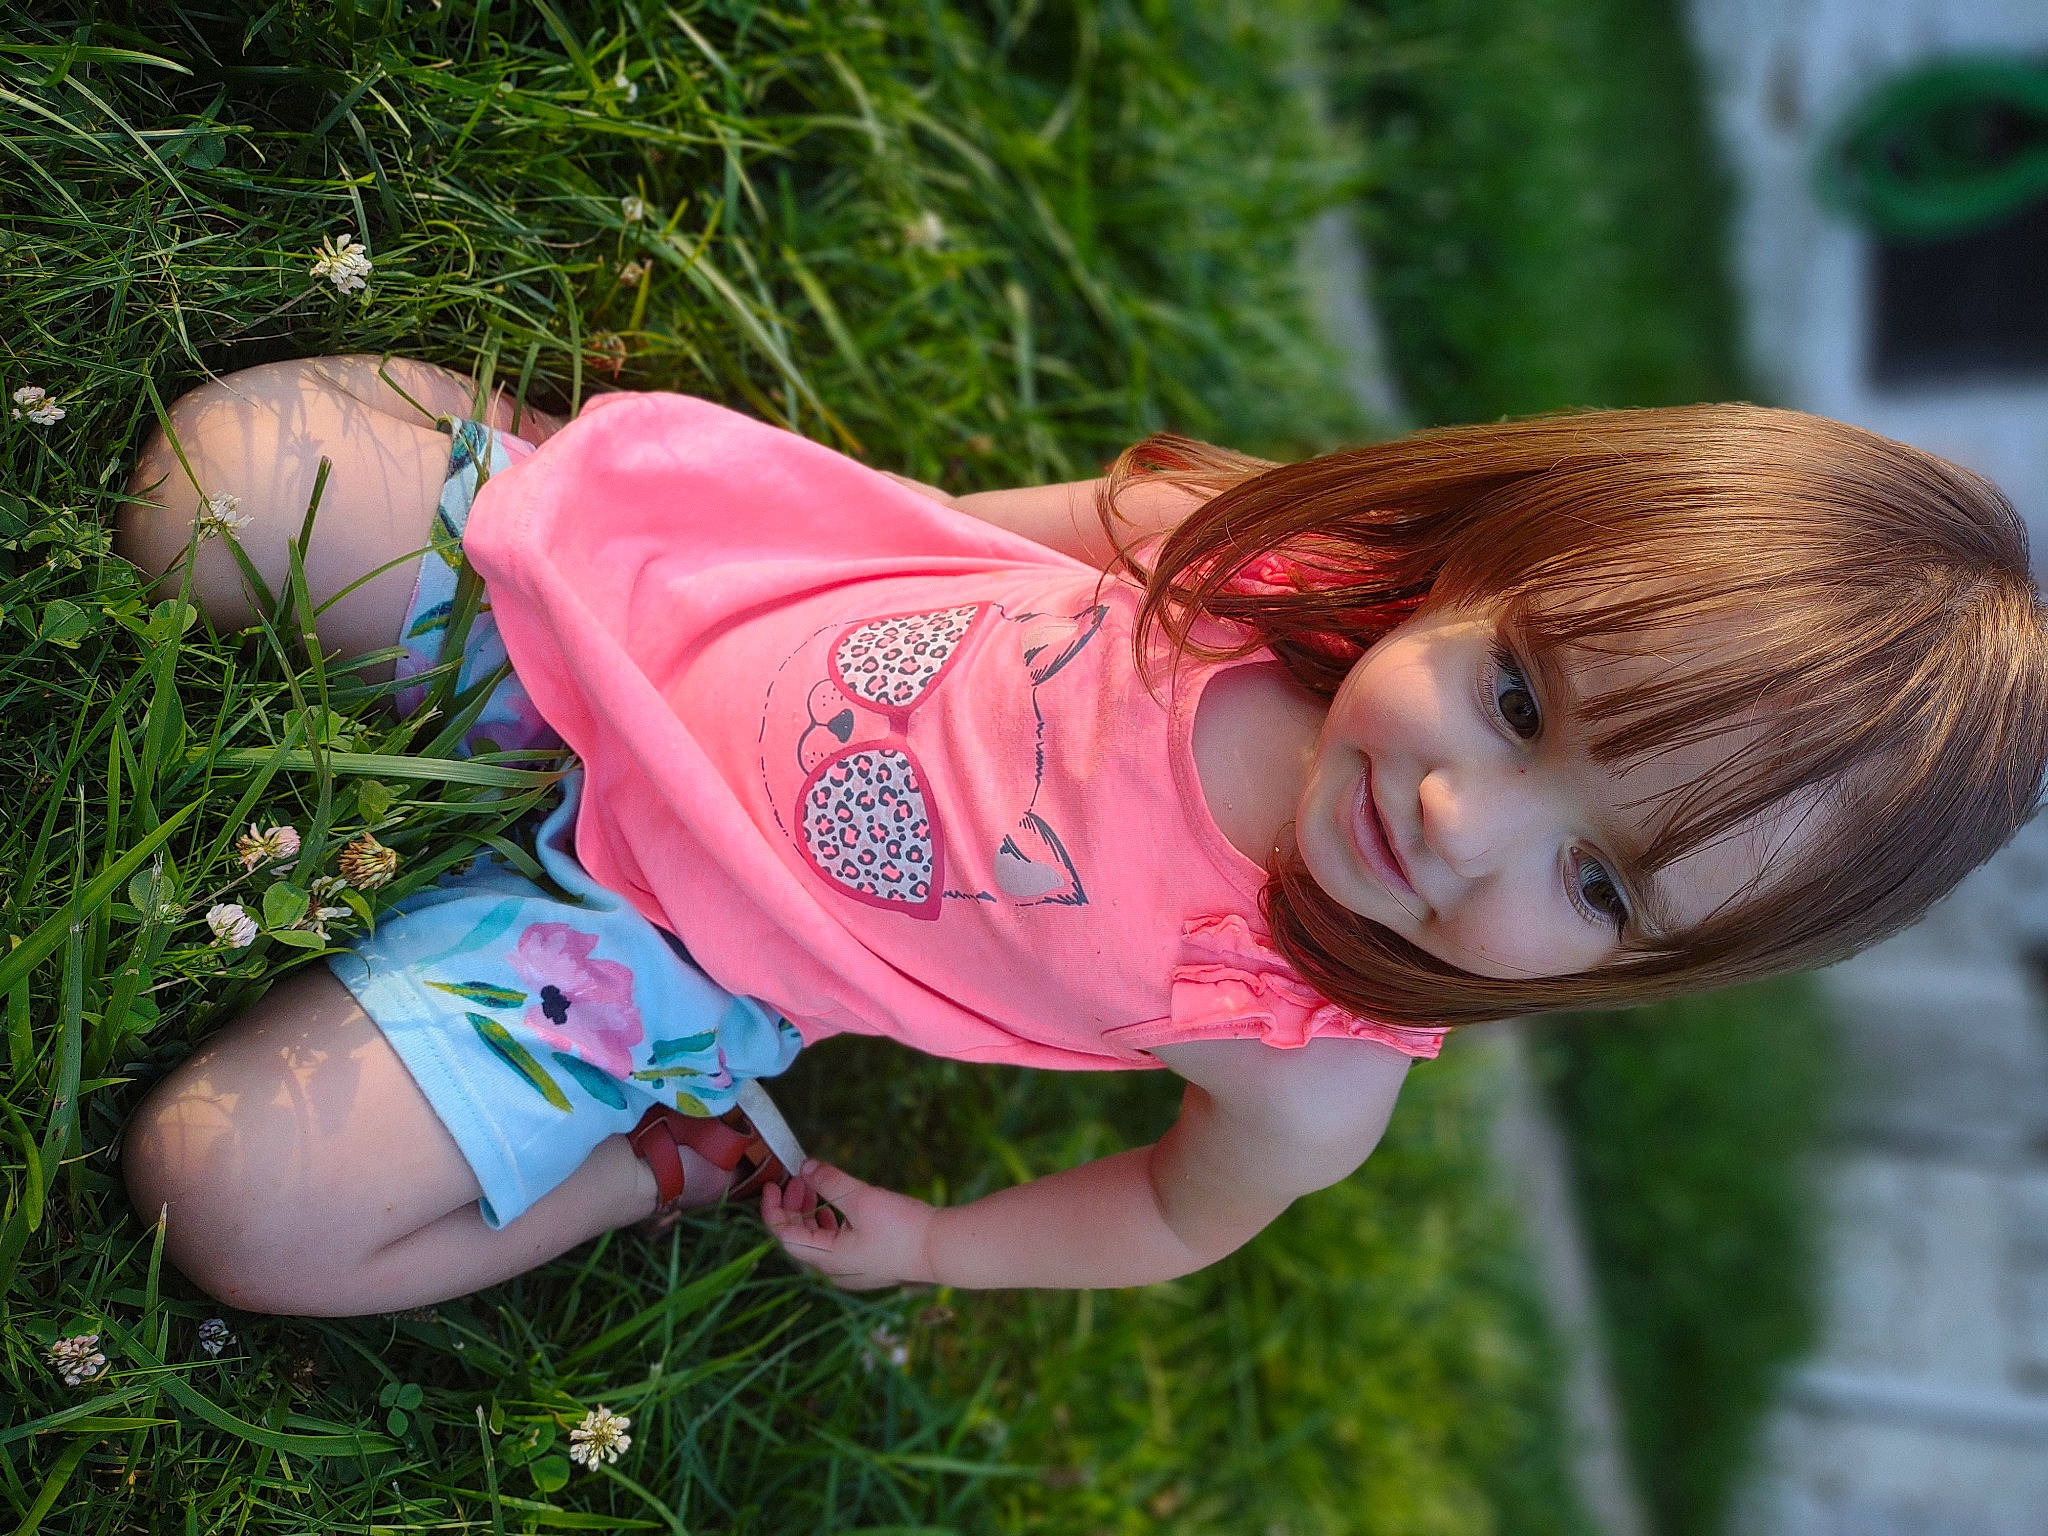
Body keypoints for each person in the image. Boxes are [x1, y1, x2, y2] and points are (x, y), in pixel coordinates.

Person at [113, 354, 2048, 1317]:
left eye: (1600, 882)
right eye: (1524, 696)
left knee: (237, 1207)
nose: (1467, 822)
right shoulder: (1271, 561)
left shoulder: (1305, 1056)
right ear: (1485, 558)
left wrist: (942, 1241)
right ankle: (520, 459)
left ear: (1651, 969)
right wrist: (693, 532)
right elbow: (943, 537)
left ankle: (651, 1162)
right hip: (647, 634)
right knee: (216, 481)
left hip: (657, 949)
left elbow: (1173, 1212)